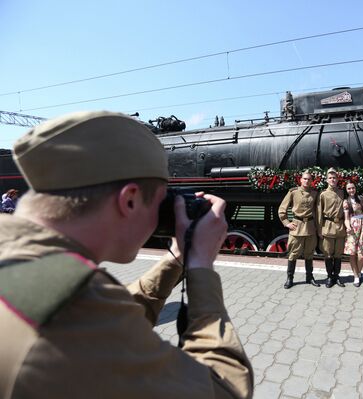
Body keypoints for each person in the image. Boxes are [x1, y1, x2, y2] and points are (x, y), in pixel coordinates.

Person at [0, 111, 253, 398]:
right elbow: (225, 389)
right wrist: (200, 267)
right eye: (162, 203)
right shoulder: (73, 313)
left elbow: (108, 316)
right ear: (130, 200)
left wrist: (176, 259)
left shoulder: (25, 264)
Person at [278, 170, 320, 289]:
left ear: (312, 181)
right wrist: (286, 223)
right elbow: (282, 209)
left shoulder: (314, 193)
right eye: (305, 179)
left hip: (310, 226)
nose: (307, 181)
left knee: (309, 254)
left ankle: (309, 277)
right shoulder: (293, 192)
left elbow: (318, 211)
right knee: (293, 254)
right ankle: (290, 278)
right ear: (300, 180)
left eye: (309, 179)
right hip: (297, 226)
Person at [317, 168, 346, 288]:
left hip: (339, 227)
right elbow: (319, 213)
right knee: (328, 253)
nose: (332, 180)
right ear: (327, 180)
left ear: (337, 179)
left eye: (334, 178)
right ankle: (329, 276)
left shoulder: (341, 193)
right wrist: (319, 229)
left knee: (338, 254)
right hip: (327, 226)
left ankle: (337, 276)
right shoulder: (323, 194)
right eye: (330, 178)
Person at [343, 181, 363, 287]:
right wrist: (348, 227)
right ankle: (356, 276)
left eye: (353, 188)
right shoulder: (346, 202)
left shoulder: (361, 198)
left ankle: (358, 272)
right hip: (353, 228)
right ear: (346, 190)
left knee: (362, 255)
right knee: (352, 253)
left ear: (355, 188)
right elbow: (346, 219)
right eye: (349, 188)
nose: (351, 190)